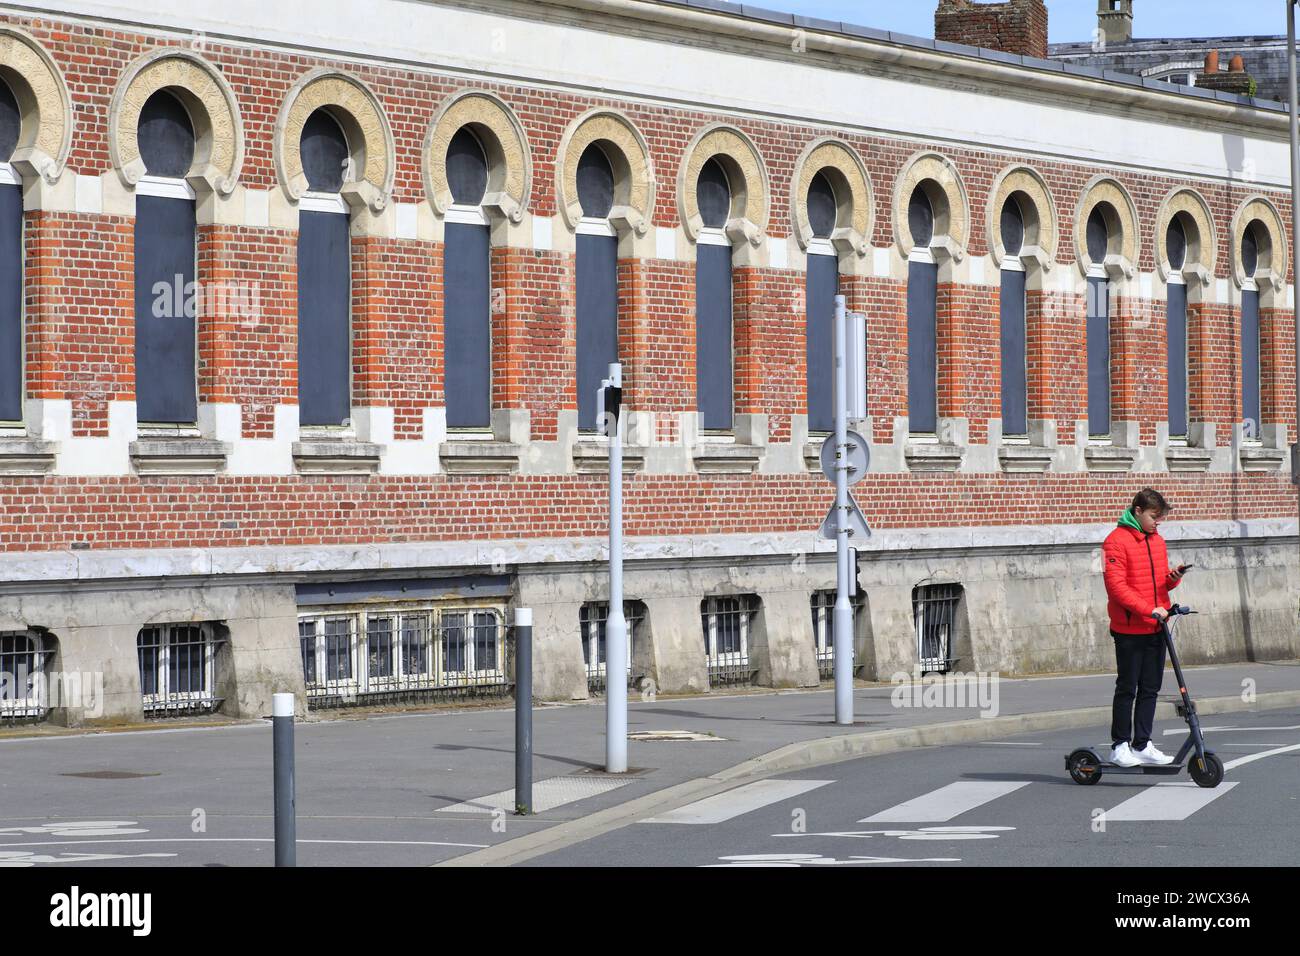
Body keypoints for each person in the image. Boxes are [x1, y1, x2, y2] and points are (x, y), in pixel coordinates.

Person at [1102, 488, 1190, 767]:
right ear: (1137, 511)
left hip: (1156, 626)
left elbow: (1157, 584)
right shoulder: (1114, 542)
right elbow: (1116, 588)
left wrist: (1172, 579)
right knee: (1127, 687)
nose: (1158, 522)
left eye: (1161, 517)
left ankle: (1142, 743)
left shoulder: (1158, 542)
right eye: (1154, 516)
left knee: (1150, 688)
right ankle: (1119, 746)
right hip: (1130, 629)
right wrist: (1147, 609)